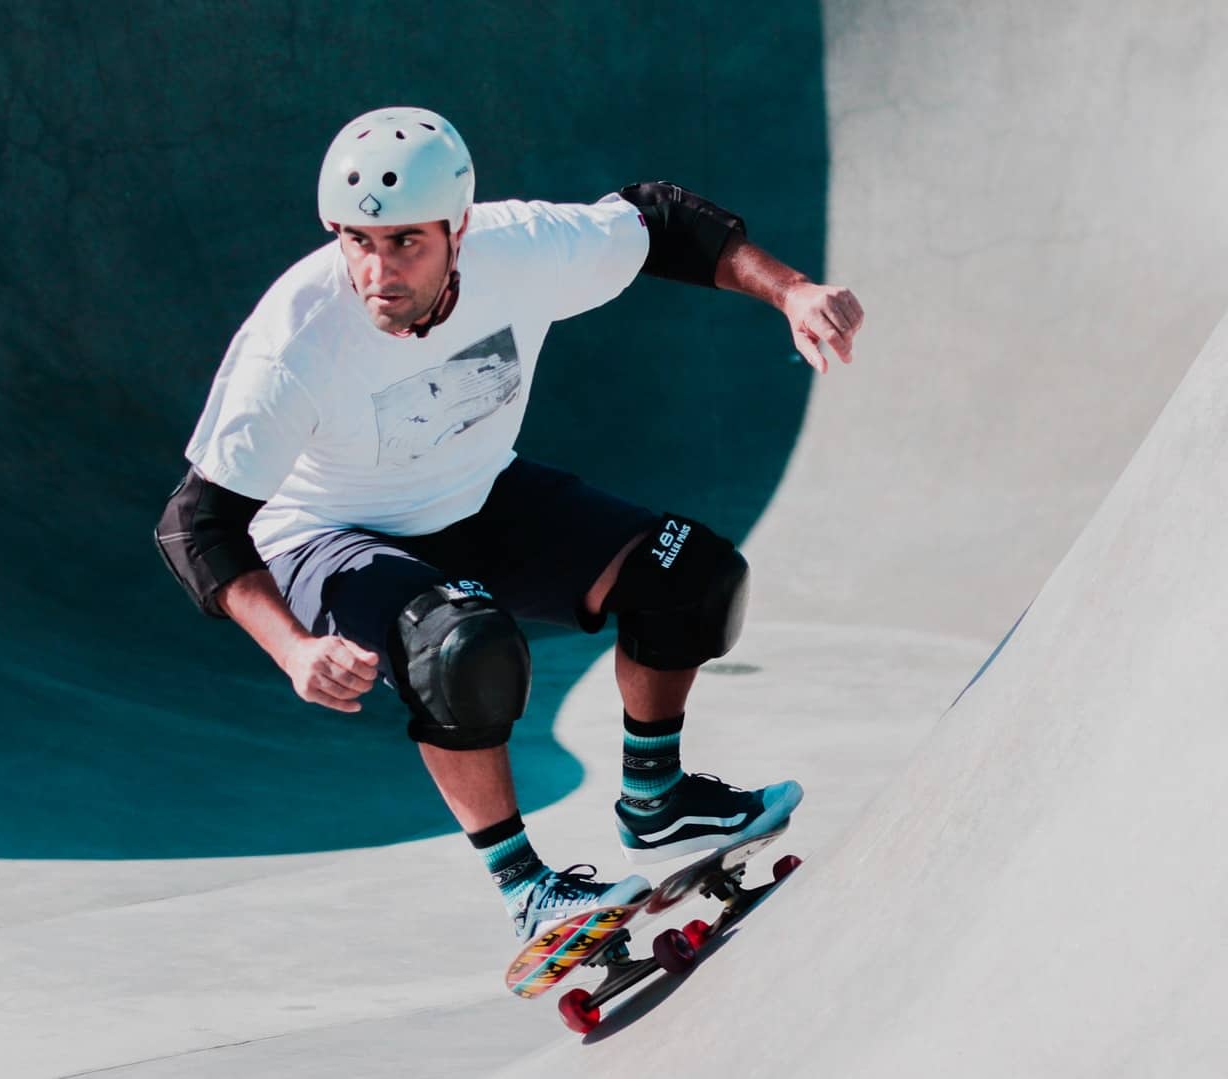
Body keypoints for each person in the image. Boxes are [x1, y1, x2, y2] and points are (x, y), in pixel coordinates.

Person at [154, 106, 864, 943]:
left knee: (692, 576)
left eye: (406, 243)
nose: (379, 273)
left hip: (479, 494)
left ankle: (658, 802)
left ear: (458, 228)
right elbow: (196, 524)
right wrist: (293, 647)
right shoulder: (295, 344)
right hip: (327, 534)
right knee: (462, 648)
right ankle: (527, 888)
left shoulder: (522, 248)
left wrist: (793, 291)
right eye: (357, 242)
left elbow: (664, 223)